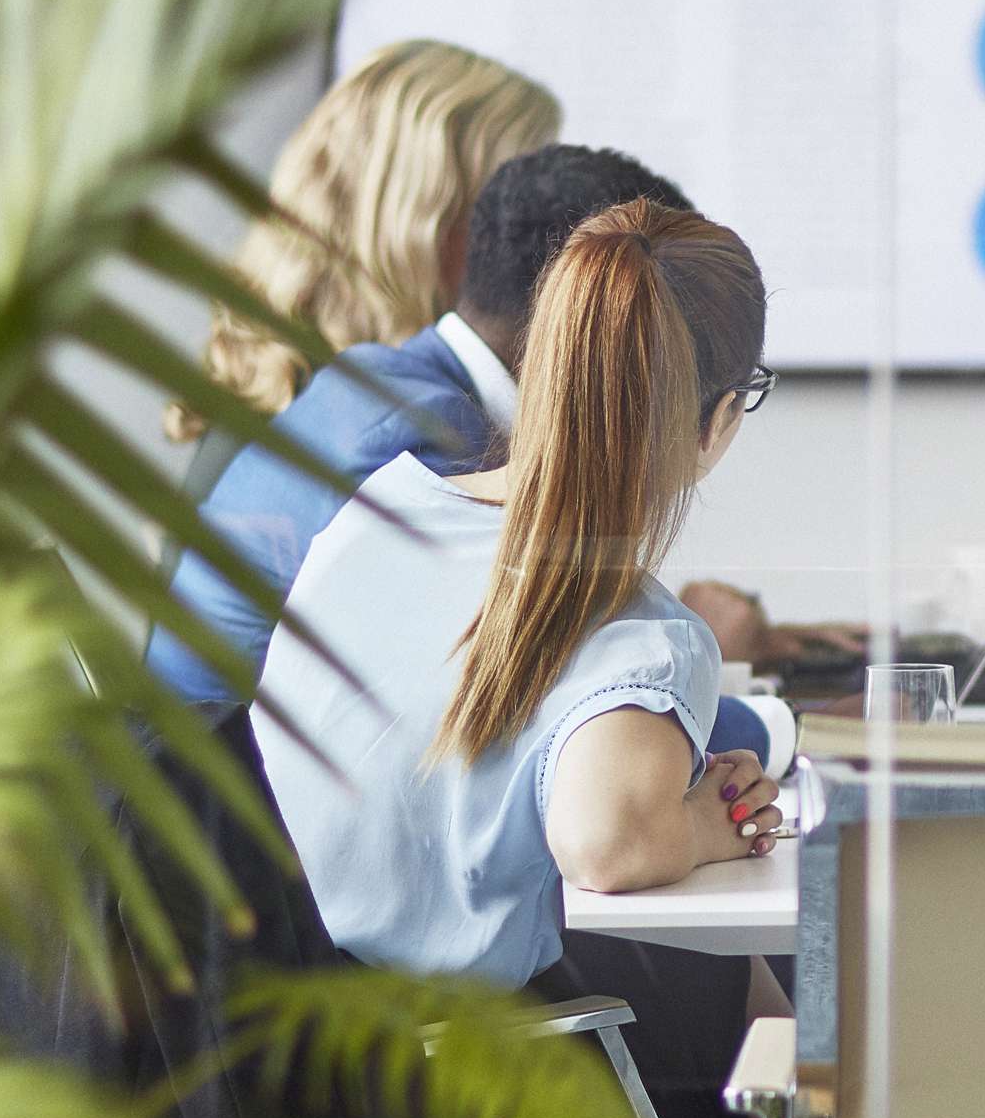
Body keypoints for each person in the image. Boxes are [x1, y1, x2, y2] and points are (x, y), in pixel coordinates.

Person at [256, 201, 788, 1118]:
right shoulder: (632, 627)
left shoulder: (385, 506)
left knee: (680, 1089)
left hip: (258, 1044)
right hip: (417, 1089)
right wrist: (719, 823)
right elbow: (606, 838)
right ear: (718, 422)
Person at [147, 141, 689, 710]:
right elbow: (518, 709)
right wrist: (758, 723)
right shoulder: (438, 447)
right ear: (587, 307)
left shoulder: (378, 373)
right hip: (225, 786)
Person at [165, 40, 559, 489]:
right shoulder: (381, 439)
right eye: (519, 206)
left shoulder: (280, 398)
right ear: (422, 218)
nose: (542, 241)